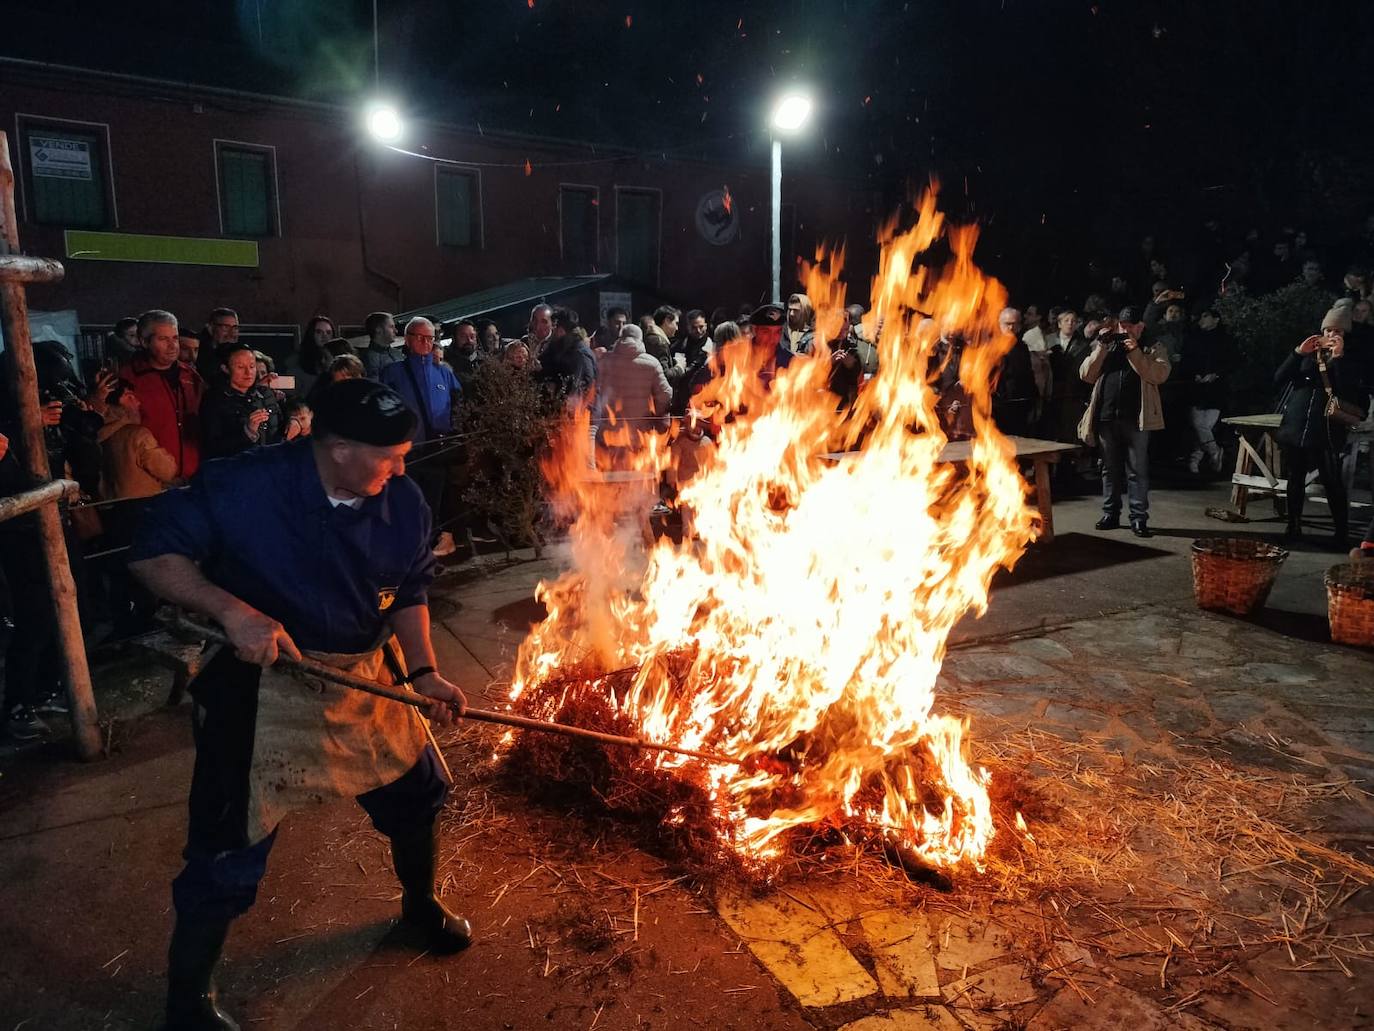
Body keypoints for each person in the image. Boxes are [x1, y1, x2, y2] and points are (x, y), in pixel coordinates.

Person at [129, 379, 472, 1029]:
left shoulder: (402, 502)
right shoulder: (245, 486)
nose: (403, 466)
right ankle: (189, 999)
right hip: (264, 685)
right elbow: (152, 556)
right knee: (226, 846)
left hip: (362, 678)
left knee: (420, 794)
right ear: (339, 449)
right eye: (390, 454)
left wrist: (423, 671)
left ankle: (418, 905)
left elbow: (409, 592)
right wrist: (233, 612)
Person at [1078, 312, 1172, 538]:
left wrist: (1135, 352)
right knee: (1109, 469)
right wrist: (1101, 347)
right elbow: (1086, 375)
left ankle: (1139, 518)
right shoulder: (1107, 346)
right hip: (1106, 417)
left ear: (1141, 326)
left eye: (1131, 326)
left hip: (1137, 419)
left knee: (1137, 471)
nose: (1126, 331)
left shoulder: (1152, 347)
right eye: (1123, 326)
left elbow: (1158, 374)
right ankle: (1110, 513)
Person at [1274, 306, 1358, 547]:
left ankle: (1341, 530)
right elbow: (1278, 379)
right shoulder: (1309, 356)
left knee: (1332, 479)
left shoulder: (1350, 358)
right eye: (1328, 329)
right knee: (1295, 476)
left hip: (1326, 426)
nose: (1331, 334)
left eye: (1337, 330)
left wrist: (1339, 357)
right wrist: (1297, 353)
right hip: (1297, 423)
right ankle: (1294, 524)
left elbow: (1349, 390)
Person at [381, 317, 463, 557]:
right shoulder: (393, 372)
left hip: (437, 451)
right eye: (421, 337)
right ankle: (409, 553)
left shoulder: (444, 374)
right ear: (407, 340)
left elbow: (459, 405)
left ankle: (425, 556)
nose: (427, 342)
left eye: (431, 338)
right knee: (408, 504)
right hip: (407, 452)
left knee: (433, 504)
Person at [119, 309, 205, 479]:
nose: (173, 346)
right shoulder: (128, 378)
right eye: (163, 339)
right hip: (149, 478)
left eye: (175, 338)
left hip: (192, 475)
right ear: (144, 341)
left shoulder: (191, 377)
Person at [595, 324, 672, 457]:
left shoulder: (605, 361)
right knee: (640, 475)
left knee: (611, 474)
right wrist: (656, 413)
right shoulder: (652, 363)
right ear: (640, 340)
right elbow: (665, 395)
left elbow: (594, 392)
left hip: (609, 433)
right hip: (640, 433)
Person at [200, 345, 285, 460]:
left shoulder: (264, 394)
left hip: (268, 467)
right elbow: (212, 445)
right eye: (240, 367)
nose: (248, 372)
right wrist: (248, 432)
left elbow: (278, 428)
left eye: (252, 366)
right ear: (225, 368)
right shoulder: (215, 399)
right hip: (234, 469)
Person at [1179, 309, 1238, 474]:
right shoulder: (1194, 338)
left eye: (1205, 316)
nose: (1201, 319)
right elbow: (1187, 359)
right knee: (1199, 425)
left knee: (1204, 427)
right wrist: (1195, 374)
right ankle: (1214, 452)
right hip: (1197, 388)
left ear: (1216, 319)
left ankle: (1195, 459)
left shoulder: (1225, 340)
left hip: (1215, 389)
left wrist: (1216, 374)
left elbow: (1232, 362)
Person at [993, 307, 1036, 437]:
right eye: (1007, 324)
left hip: (1020, 405)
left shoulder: (1022, 347)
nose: (1011, 328)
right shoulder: (990, 347)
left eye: (1014, 324)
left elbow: (1028, 374)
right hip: (998, 407)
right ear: (999, 325)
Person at [289, 315, 337, 396]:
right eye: (319, 332)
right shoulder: (296, 362)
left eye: (328, 332)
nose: (324, 336)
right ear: (311, 334)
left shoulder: (338, 359)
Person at [197, 307, 241, 384]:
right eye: (225, 327)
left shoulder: (242, 355)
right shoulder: (199, 357)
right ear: (211, 329)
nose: (231, 333)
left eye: (235, 328)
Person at [361, 312, 401, 379]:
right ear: (378, 329)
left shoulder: (398, 354)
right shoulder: (369, 359)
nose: (396, 331)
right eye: (391, 327)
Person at [447, 320, 482, 391]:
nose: (469, 341)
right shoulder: (447, 365)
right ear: (454, 339)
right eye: (463, 337)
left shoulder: (485, 361)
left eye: (472, 336)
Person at [644, 305, 679, 373]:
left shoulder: (649, 338)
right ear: (667, 320)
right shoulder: (660, 343)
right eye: (676, 323)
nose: (677, 328)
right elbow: (664, 375)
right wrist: (679, 368)